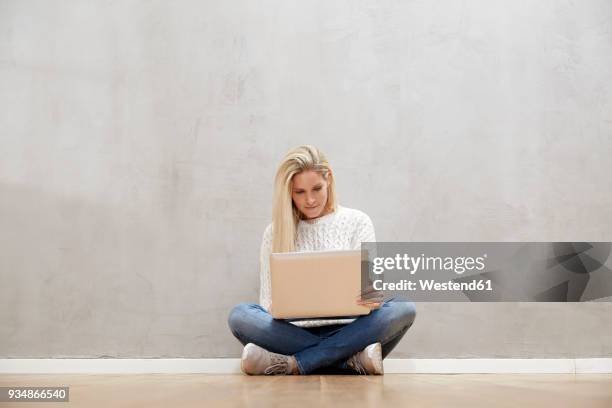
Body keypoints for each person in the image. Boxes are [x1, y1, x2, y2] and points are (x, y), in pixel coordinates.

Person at [227, 145, 416, 375]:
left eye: (317, 188)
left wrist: (371, 298)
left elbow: (372, 292)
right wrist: (281, 306)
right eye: (299, 192)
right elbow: (267, 304)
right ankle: (349, 361)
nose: (310, 200)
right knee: (240, 316)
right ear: (288, 192)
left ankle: (294, 363)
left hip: (353, 329)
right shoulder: (274, 233)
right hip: (293, 333)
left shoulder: (358, 222)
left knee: (403, 308)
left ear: (329, 181)